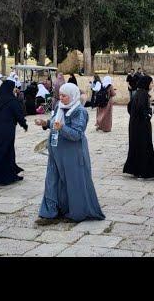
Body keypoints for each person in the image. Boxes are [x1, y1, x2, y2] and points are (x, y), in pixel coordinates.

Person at [34, 83, 105, 224]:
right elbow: (55, 123)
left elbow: (77, 134)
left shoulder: (79, 112)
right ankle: (50, 212)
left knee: (73, 182)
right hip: (56, 153)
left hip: (72, 154)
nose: (61, 98)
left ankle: (75, 212)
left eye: (64, 95)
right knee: (52, 181)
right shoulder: (59, 107)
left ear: (72, 96)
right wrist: (45, 123)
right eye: (59, 95)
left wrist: (62, 128)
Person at [123, 75, 154, 179]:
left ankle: (136, 170)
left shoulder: (137, 93)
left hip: (135, 125)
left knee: (136, 146)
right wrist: (149, 114)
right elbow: (143, 111)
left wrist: (134, 117)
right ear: (146, 83)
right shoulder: (143, 95)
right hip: (142, 127)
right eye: (151, 82)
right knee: (144, 147)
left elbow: (129, 107)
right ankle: (144, 171)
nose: (152, 84)